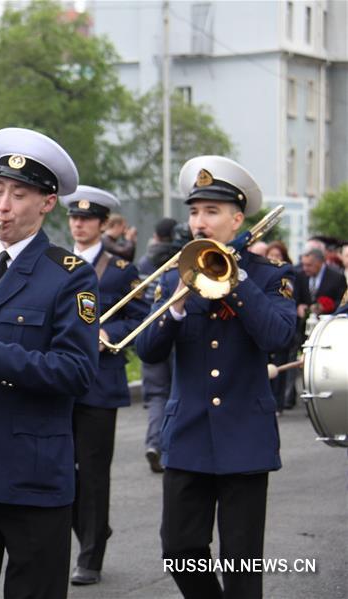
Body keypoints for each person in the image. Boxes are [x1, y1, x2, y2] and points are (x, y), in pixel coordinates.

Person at [0, 127, 99, 599]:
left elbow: (78, 371)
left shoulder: (69, 274)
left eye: (19, 194)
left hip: (31, 478)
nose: (2, 206)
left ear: (47, 203)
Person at [136, 156, 296, 599]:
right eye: (193, 212)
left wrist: (237, 279)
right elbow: (147, 350)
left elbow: (279, 336)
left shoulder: (269, 277)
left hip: (245, 433)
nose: (199, 222)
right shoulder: (174, 279)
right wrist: (178, 305)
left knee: (242, 561)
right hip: (187, 434)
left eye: (211, 212)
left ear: (237, 219)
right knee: (179, 548)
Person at [61, 186, 149, 586]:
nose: (79, 224)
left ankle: (91, 556)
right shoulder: (55, 263)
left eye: (87, 219)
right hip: (58, 381)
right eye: (74, 218)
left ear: (101, 224)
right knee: (63, 468)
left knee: (94, 472)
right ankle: (92, 531)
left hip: (99, 382)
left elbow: (140, 319)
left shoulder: (120, 269)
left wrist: (108, 332)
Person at [136, 217, 180, 473]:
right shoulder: (183, 257)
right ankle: (170, 446)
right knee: (176, 393)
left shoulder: (144, 261)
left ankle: (154, 443)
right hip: (175, 331)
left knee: (156, 395)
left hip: (150, 332)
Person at [264, 240, 299, 412]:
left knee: (280, 367)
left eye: (277, 256)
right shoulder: (260, 273)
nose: (273, 258)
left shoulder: (288, 274)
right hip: (263, 326)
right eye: (271, 255)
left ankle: (278, 402)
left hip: (283, 324)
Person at [295, 248, 346, 318]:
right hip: (304, 323)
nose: (305, 268)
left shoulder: (337, 278)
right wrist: (298, 306)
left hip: (326, 322)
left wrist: (325, 307)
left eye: (309, 265)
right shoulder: (300, 275)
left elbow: (342, 303)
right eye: (303, 264)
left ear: (320, 262)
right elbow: (295, 298)